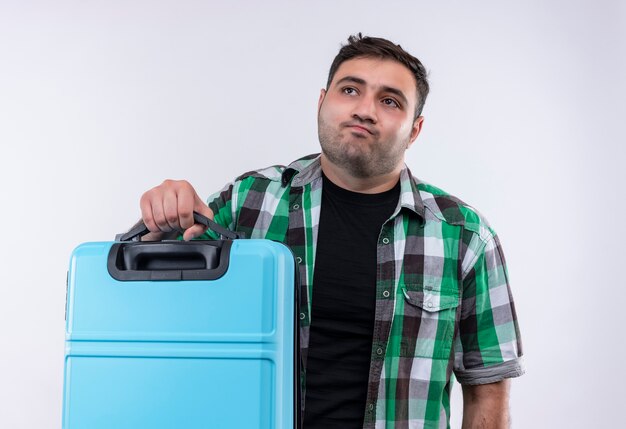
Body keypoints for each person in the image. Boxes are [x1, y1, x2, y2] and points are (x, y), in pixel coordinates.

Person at [138, 34, 524, 429]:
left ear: (415, 130)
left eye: (389, 101)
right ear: (322, 102)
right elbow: (159, 310)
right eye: (350, 89)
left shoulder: (464, 236)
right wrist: (161, 223)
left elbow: (487, 389)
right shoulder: (248, 201)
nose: (365, 109)